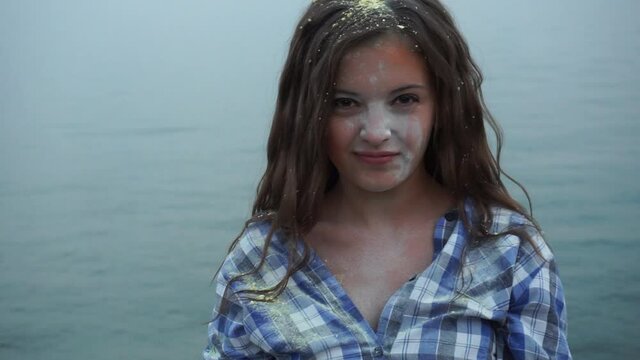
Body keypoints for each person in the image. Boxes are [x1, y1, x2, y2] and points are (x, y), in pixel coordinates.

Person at [203, 0, 571, 358]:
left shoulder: (506, 251)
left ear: (442, 105)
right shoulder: (260, 260)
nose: (376, 132)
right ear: (310, 112)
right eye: (345, 103)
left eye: (404, 99)